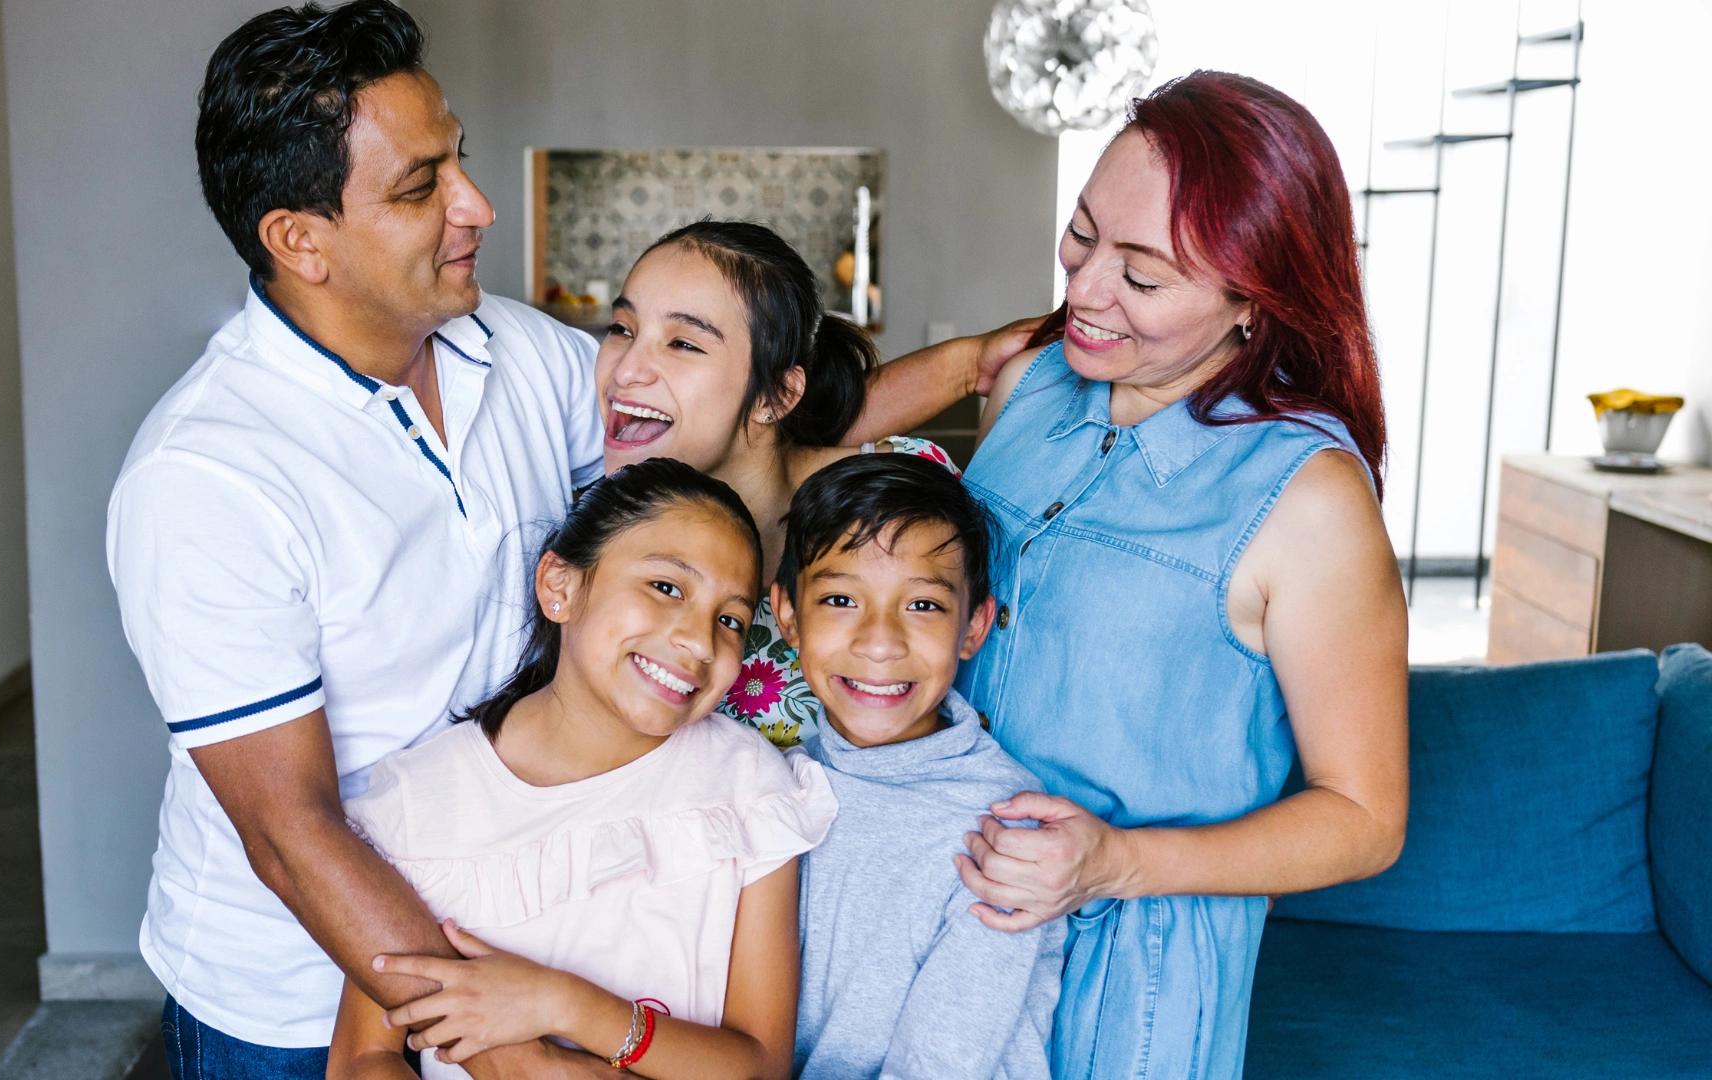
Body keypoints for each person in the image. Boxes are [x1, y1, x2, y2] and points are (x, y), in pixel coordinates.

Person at [108, 5, 1020, 1076]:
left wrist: (965, 364)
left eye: (461, 160)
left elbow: (734, 426)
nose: (478, 207)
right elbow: (288, 832)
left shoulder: (519, 354)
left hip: (539, 926)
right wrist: (517, 1060)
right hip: (299, 995)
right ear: (298, 238)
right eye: (420, 187)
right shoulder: (208, 478)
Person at [951, 72, 1410, 1079]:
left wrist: (1118, 862)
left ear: (1256, 301)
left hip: (1129, 981)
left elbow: (1366, 819)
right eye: (1080, 235)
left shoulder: (1311, 501)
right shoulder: (1033, 384)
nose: (1083, 290)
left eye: (1144, 277)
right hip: (938, 915)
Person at [328, 459, 835, 1079]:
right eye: (667, 587)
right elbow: (365, 1057)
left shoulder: (748, 788)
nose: (702, 642)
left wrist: (563, 1004)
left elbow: (757, 1066)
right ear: (560, 586)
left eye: (730, 619)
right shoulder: (419, 800)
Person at [598, 221, 1032, 747]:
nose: (625, 370)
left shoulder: (905, 489)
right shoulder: (605, 520)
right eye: (621, 329)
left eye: (683, 343)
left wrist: (967, 366)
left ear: (776, 396)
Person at [773, 454, 1063, 1080]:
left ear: (974, 626)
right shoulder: (770, 783)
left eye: (924, 606)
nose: (881, 642)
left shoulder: (1003, 831)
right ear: (788, 615)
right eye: (842, 598)